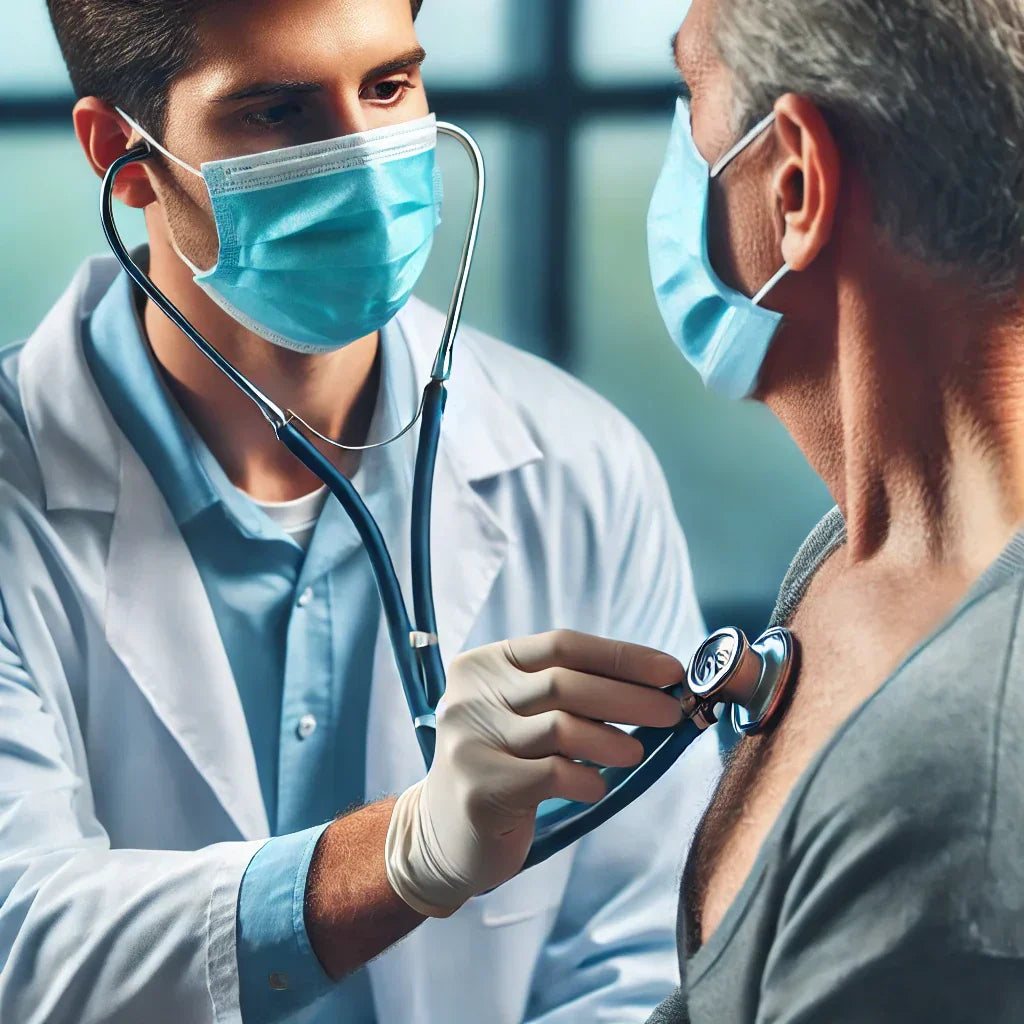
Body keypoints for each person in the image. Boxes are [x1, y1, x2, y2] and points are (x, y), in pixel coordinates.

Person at [0, 1, 718, 1022]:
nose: (362, 156)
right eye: (278, 110)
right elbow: (23, 942)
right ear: (121, 150)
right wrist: (403, 854)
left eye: (388, 87)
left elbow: (637, 954)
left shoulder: (577, 465)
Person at [641, 0, 1024, 1020]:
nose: (675, 153)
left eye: (690, 93)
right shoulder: (856, 555)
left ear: (797, 182)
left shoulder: (960, 787)